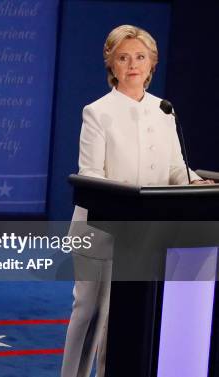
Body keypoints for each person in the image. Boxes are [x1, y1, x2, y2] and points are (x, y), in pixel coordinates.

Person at [60, 25, 212, 377]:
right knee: (91, 314)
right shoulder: (97, 112)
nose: (132, 65)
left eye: (140, 57)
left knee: (124, 319)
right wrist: (126, 200)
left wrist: (193, 181)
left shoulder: (164, 111)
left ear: (151, 64)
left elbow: (176, 168)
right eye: (123, 58)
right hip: (101, 229)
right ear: (111, 65)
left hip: (147, 234)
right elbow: (90, 173)